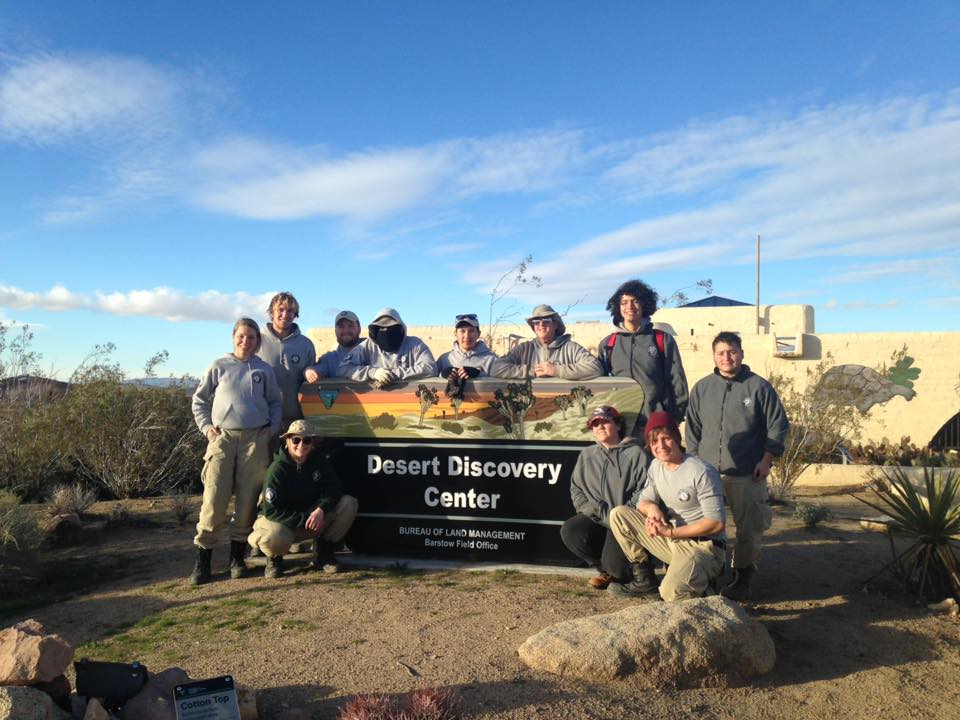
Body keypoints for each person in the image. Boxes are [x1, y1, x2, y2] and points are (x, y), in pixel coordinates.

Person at [685, 331, 789, 601]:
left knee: (750, 529)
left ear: (741, 353)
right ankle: (708, 573)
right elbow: (693, 429)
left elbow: (777, 427)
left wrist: (766, 460)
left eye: (732, 351)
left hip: (747, 473)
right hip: (707, 474)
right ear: (714, 356)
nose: (727, 357)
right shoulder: (703, 387)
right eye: (721, 353)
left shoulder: (759, 387)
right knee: (705, 526)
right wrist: (693, 463)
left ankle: (743, 576)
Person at [190, 318, 282, 585]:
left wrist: (272, 427)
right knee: (214, 498)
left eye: (252, 337)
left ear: (257, 340)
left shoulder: (263, 369)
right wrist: (207, 428)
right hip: (222, 438)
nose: (246, 341)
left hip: (256, 438)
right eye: (241, 336)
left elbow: (275, 402)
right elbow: (199, 401)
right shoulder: (219, 366)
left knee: (247, 499)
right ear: (233, 337)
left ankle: (237, 558)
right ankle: (203, 558)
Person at [609, 411, 727, 602]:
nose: (660, 446)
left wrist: (671, 533)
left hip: (703, 546)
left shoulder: (701, 471)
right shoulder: (657, 466)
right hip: (671, 539)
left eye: (666, 439)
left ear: (677, 438)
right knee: (619, 515)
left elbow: (716, 524)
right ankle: (645, 579)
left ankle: (706, 588)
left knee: (670, 593)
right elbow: (643, 502)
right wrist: (652, 509)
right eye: (654, 441)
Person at [560, 406, 656, 595]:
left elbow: (644, 489)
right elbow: (576, 488)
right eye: (595, 424)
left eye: (605, 422)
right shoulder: (587, 455)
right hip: (597, 517)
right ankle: (605, 571)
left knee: (617, 569)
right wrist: (590, 510)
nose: (600, 427)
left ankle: (620, 571)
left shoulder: (636, 454)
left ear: (618, 425)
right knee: (570, 531)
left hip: (624, 520)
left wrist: (622, 513)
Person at [247, 420, 359, 578]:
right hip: (280, 521)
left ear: (312, 443)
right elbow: (273, 511)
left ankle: (324, 553)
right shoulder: (277, 469)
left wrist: (321, 509)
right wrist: (305, 519)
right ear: (287, 440)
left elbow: (334, 487)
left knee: (348, 503)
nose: (301, 444)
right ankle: (274, 559)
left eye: (307, 440)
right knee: (274, 537)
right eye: (296, 440)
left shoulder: (318, 460)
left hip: (310, 518)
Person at [600, 280, 688, 433]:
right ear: (618, 307)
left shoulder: (662, 340)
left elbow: (677, 381)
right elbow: (600, 383)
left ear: (645, 304)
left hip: (656, 424)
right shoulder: (609, 343)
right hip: (621, 424)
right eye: (624, 302)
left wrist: (674, 418)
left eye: (635, 301)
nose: (630, 307)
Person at [336, 307, 437, 388]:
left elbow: (430, 368)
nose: (385, 331)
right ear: (374, 330)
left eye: (390, 327)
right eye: (381, 328)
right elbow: (343, 369)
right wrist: (372, 372)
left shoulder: (415, 344)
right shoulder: (367, 346)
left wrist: (393, 375)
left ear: (401, 328)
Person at [257, 292, 316, 429]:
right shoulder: (256, 341)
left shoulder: (306, 344)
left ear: (295, 314)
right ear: (271, 312)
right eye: (281, 309)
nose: (285, 314)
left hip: (297, 419)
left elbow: (310, 382)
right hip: (264, 420)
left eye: (290, 311)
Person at [502, 304, 602, 380]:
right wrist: (531, 372)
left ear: (556, 325)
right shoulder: (524, 349)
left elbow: (595, 368)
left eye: (546, 320)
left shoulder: (571, 348)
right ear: (533, 327)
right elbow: (496, 368)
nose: (541, 324)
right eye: (536, 321)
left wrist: (555, 370)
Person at [437, 313, 524, 380]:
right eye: (462, 331)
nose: (467, 336)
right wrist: (443, 374)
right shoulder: (444, 359)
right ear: (455, 334)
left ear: (478, 334)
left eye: (471, 331)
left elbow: (500, 385)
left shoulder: (491, 360)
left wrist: (478, 374)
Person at [304, 310, 363, 382]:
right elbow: (317, 370)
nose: (346, 330)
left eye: (350, 326)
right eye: (341, 326)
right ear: (335, 331)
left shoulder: (373, 353)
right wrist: (309, 371)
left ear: (359, 329)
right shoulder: (329, 360)